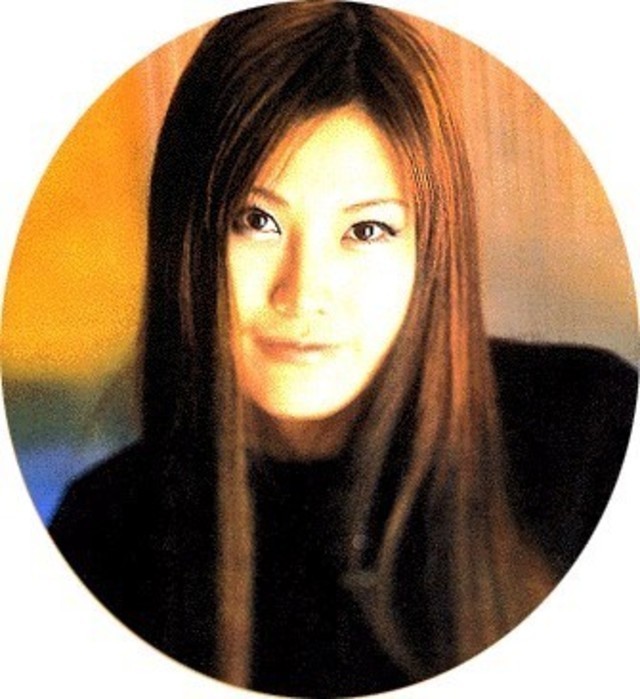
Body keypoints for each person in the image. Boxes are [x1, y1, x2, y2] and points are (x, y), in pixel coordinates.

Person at [49, 2, 637, 696]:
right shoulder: (103, 536)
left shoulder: (593, 433)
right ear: (187, 237)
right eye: (256, 220)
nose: (303, 293)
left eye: (366, 231)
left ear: (431, 250)